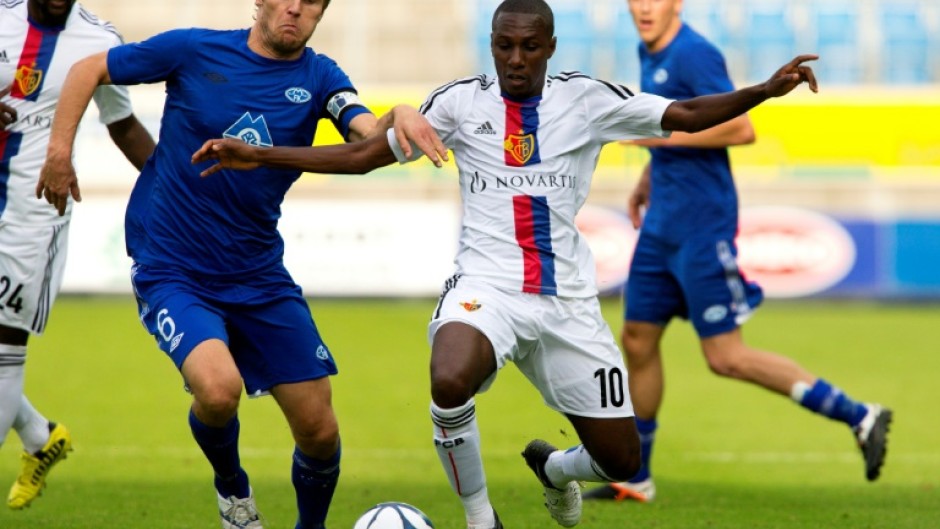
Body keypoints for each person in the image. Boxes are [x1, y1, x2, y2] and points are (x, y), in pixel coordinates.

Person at [190, 1, 820, 527]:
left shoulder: (588, 100)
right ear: (492, 45)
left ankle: (555, 470)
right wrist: (261, 156)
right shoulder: (460, 104)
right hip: (487, 289)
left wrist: (765, 90)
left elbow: (681, 116)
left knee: (621, 459)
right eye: (503, 46)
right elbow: (364, 157)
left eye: (528, 47)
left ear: (549, 47)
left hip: (568, 302)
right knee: (448, 376)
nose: (515, 60)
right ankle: (480, 516)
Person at [35, 1, 444, 528]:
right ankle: (233, 490)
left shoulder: (320, 77)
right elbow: (88, 67)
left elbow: (367, 135)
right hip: (172, 265)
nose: (296, 8)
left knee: (319, 429)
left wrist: (400, 116)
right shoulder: (192, 48)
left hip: (257, 273)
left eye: (313, 1)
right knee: (218, 388)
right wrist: (59, 151)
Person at [582, 0, 892, 504]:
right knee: (637, 339)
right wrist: (647, 177)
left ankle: (859, 415)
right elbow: (675, 122)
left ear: (675, 3)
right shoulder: (649, 48)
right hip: (662, 224)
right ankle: (635, 476)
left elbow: (739, 128)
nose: (642, 7)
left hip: (703, 226)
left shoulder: (694, 52)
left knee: (725, 357)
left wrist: (650, 143)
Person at [0, 0, 154, 510]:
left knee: (3, 349)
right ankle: (41, 437)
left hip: (32, 217)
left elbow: (122, 122)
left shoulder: (99, 40)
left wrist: (180, 188)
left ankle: (38, 436)